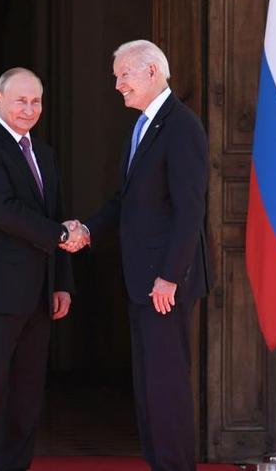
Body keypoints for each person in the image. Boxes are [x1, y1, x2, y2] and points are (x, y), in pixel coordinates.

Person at [61, 40, 212, 471]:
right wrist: (88, 230)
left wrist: (169, 275)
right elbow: (125, 200)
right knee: (148, 387)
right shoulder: (144, 125)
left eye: (123, 75)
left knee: (166, 386)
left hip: (164, 284)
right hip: (142, 279)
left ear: (152, 72)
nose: (117, 85)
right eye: (116, 77)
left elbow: (190, 209)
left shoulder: (181, 127)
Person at [0, 67, 78, 471]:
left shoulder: (43, 153)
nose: (29, 109)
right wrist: (62, 235)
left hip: (40, 294)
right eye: (20, 100)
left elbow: (55, 213)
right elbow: (5, 212)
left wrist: (62, 282)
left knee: (26, 398)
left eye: (36, 101)